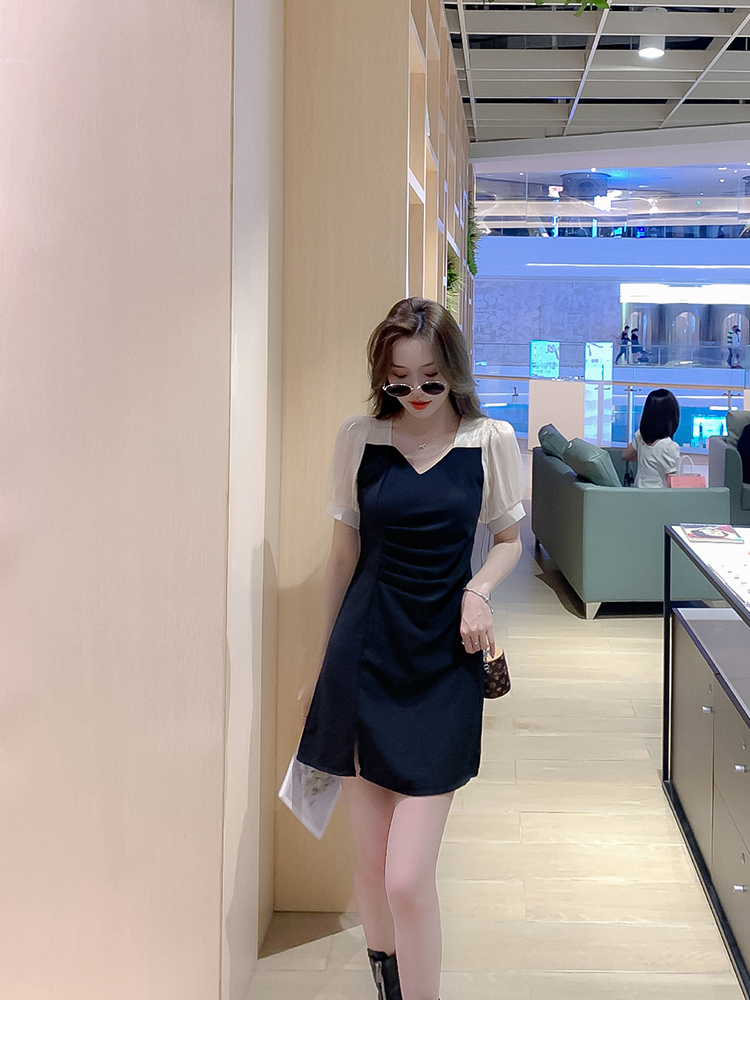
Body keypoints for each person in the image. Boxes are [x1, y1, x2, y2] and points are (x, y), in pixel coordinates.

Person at [296, 297, 525, 1000]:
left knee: (406, 876)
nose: (417, 393)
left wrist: (478, 590)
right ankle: (391, 1000)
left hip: (441, 661)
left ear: (454, 370)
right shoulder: (359, 437)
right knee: (371, 867)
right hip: (365, 654)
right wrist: (322, 667)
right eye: (400, 380)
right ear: (382, 377)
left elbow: (509, 541)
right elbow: (343, 557)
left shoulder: (488, 440)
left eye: (431, 378)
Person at [622, 388, 681, 488]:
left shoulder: (640, 436)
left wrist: (645, 456)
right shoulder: (669, 446)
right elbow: (672, 483)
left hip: (638, 492)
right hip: (658, 495)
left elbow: (625, 455)